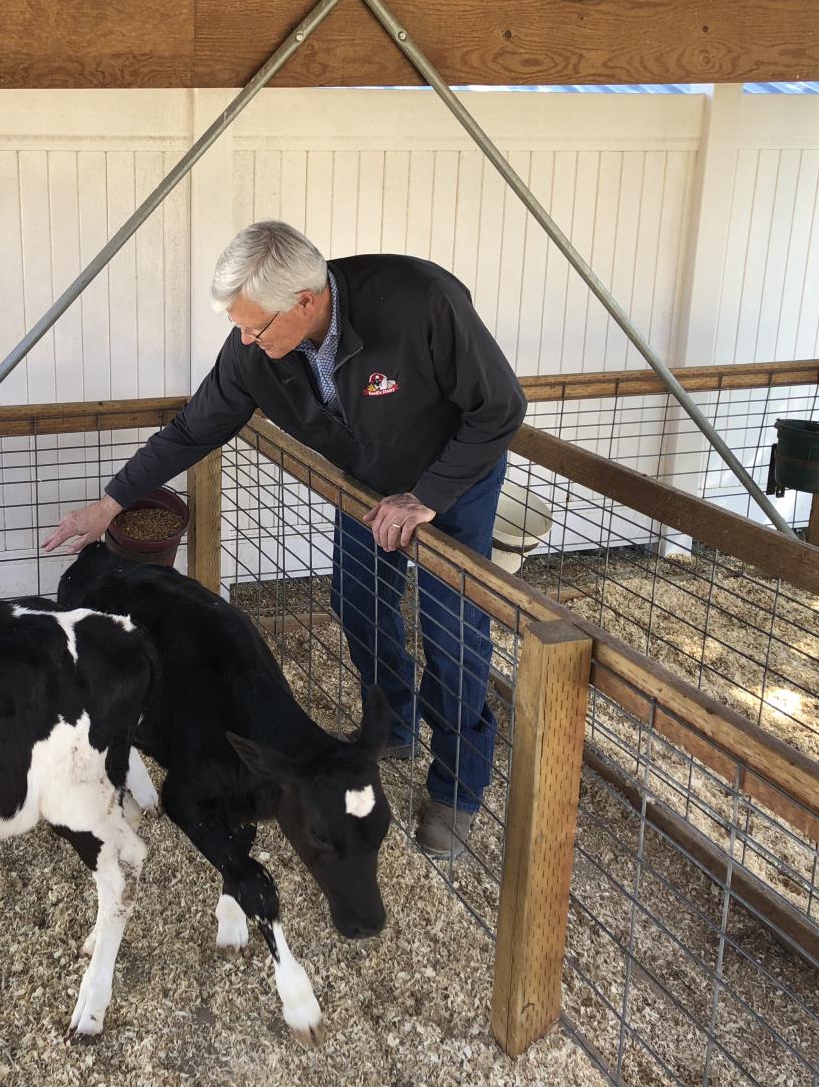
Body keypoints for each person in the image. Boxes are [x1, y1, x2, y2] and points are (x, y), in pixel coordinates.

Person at [42, 221, 526, 859]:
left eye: (255, 326)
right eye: (237, 326)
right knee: (358, 607)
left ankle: (458, 786)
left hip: (453, 480)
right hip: (371, 486)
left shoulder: (420, 304)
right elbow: (193, 429)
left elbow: (501, 408)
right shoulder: (254, 350)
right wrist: (110, 505)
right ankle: (398, 723)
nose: (244, 340)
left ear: (306, 300)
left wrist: (429, 496)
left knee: (452, 631)